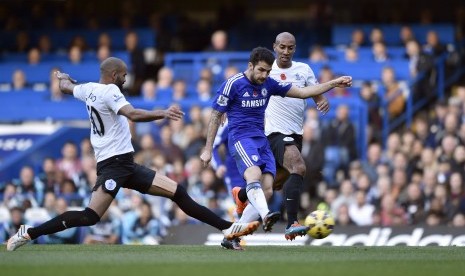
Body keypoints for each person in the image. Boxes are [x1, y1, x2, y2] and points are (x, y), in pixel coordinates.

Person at [6, 57, 259, 251]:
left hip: (127, 164)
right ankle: (29, 233)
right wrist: (162, 113)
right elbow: (133, 114)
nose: (126, 80)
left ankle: (229, 231)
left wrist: (62, 77)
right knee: (90, 216)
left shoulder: (87, 89)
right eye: (124, 76)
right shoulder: (112, 92)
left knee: (178, 192)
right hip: (113, 166)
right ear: (114, 75)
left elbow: (65, 87)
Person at [200, 47, 351, 242]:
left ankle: (232, 235)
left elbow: (304, 92)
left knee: (268, 189)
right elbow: (215, 115)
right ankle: (265, 215)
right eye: (261, 70)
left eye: (268, 71)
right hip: (241, 138)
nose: (264, 75)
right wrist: (207, 149)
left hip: (262, 139)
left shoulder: (269, 84)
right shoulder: (233, 84)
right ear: (250, 66)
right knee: (253, 175)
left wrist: (333, 83)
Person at [224, 33, 331, 245]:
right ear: (275, 47)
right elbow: (243, 90)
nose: (285, 51)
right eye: (282, 47)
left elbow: (311, 93)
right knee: (299, 167)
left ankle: (234, 231)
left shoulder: (304, 70)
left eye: (290, 47)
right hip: (273, 134)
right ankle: (292, 222)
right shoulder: (266, 71)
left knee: (266, 191)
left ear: (295, 49)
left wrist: (321, 100)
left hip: (295, 134)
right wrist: (227, 112)